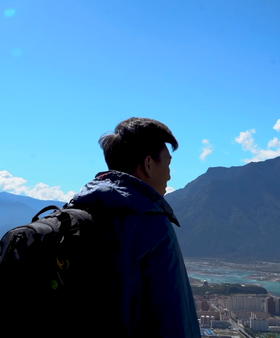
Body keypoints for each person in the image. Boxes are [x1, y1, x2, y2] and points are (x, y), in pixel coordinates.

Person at [67, 117, 200, 337]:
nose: (169, 175)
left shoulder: (78, 213)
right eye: (167, 165)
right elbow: (174, 320)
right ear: (148, 164)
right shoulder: (152, 224)